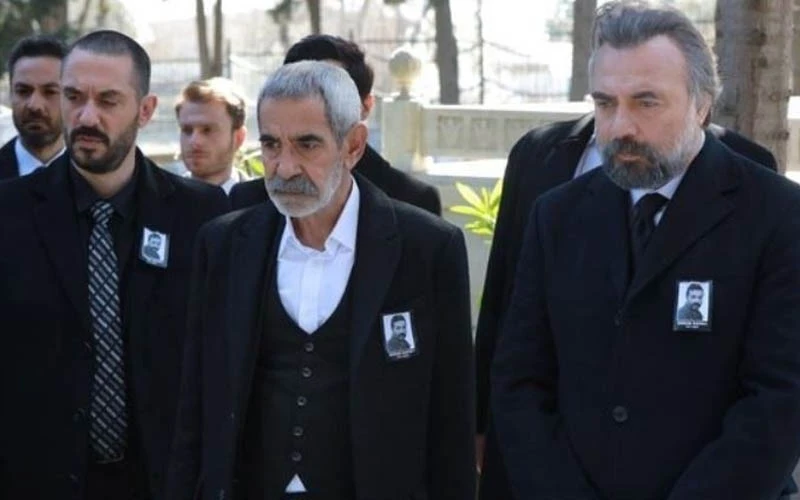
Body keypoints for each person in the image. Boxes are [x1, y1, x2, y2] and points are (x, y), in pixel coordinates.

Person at [491, 2, 800, 499]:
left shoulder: (777, 214)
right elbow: (520, 383)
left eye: (646, 103)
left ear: (702, 104)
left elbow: (779, 401)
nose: (620, 128)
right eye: (605, 104)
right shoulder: (556, 216)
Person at [166, 60, 474, 500]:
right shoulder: (224, 245)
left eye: (307, 144)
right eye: (271, 145)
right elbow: (194, 405)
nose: (285, 167)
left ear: (354, 145)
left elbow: (452, 416)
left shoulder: (426, 248)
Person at [0, 30, 229, 499]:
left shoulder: (202, 217)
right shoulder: (9, 214)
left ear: (145, 110)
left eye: (107, 100)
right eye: (73, 97)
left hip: (163, 482)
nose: (86, 117)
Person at [229, 34, 442, 216]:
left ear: (366, 106)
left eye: (333, 92)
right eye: (299, 91)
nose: (314, 104)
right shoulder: (248, 202)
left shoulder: (412, 201)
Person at [0, 35, 67, 180]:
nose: (35, 105)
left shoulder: (97, 180)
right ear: (11, 94)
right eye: (23, 91)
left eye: (50, 92)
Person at [175, 77, 248, 194]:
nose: (194, 141)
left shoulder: (267, 202)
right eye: (187, 130)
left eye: (207, 130)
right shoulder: (155, 202)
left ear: (239, 138)